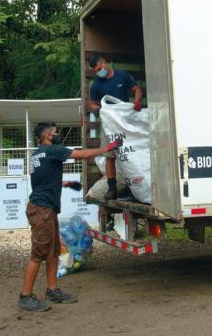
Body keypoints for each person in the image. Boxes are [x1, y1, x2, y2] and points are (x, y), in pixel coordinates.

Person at [18, 121, 122, 312]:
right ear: (49, 136)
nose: (58, 136)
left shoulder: (37, 154)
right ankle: (25, 297)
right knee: (38, 253)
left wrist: (65, 184)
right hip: (42, 210)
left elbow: (44, 179)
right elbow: (82, 154)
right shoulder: (52, 150)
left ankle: (53, 290)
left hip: (45, 209)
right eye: (56, 133)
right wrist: (107, 148)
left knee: (53, 251)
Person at [87, 54, 143, 200]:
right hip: (108, 125)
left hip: (124, 123)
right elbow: (92, 103)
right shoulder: (96, 85)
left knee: (129, 155)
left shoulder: (122, 76)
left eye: (100, 69)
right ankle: (112, 189)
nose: (99, 72)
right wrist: (97, 109)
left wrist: (137, 103)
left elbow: (137, 89)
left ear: (105, 63)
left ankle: (134, 189)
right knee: (109, 156)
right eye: (96, 71)